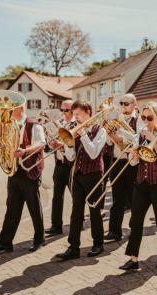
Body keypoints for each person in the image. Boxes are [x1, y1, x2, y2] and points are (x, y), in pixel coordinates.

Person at [119, 101, 157, 271]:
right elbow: (132, 163)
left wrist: (154, 141)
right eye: (143, 117)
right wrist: (134, 155)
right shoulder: (139, 135)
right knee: (135, 221)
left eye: (149, 117)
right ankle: (133, 257)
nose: (146, 121)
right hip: (141, 184)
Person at [0, 105, 46, 253]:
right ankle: (5, 243)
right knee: (12, 208)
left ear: (20, 109)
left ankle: (39, 239)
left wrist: (25, 150)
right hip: (14, 171)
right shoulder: (9, 126)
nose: (8, 112)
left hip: (29, 171)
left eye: (11, 109)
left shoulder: (34, 125)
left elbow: (41, 144)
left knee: (34, 207)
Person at [56, 100, 107, 260]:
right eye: (74, 114)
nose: (75, 117)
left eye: (78, 114)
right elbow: (71, 157)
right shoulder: (74, 130)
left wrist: (83, 134)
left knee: (94, 211)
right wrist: (67, 146)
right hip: (78, 174)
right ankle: (73, 247)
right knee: (76, 212)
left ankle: (98, 244)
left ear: (88, 112)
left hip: (94, 175)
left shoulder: (101, 131)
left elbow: (93, 153)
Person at [104, 93, 141, 241]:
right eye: (122, 103)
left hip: (132, 163)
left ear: (134, 104)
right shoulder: (116, 120)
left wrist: (121, 138)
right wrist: (109, 134)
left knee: (134, 200)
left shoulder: (139, 121)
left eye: (127, 103)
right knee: (117, 199)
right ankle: (114, 231)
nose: (123, 106)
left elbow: (138, 140)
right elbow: (108, 143)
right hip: (117, 162)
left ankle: (135, 231)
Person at [46, 100, 76, 236]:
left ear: (73, 110)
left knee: (76, 197)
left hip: (71, 166)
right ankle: (56, 226)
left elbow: (75, 147)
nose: (63, 113)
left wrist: (61, 145)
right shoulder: (60, 124)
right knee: (56, 197)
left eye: (66, 110)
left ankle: (77, 224)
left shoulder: (76, 125)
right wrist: (51, 142)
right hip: (59, 164)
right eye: (62, 110)